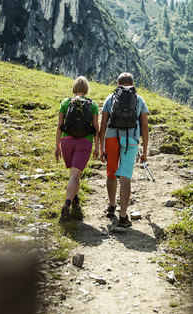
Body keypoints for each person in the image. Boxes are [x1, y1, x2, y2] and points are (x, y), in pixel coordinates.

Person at [99, 72, 149, 227]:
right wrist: (145, 151)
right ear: (133, 83)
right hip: (131, 140)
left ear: (118, 83)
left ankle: (112, 205)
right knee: (126, 176)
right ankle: (122, 216)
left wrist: (100, 147)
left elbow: (103, 125)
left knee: (111, 172)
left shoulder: (110, 98)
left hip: (112, 138)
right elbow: (145, 127)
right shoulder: (139, 99)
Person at [55, 76, 99, 223]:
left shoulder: (66, 102)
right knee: (75, 174)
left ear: (74, 88)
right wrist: (97, 147)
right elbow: (96, 128)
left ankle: (76, 201)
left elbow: (60, 125)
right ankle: (67, 202)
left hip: (66, 141)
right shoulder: (92, 104)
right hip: (84, 142)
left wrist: (57, 146)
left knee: (75, 173)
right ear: (86, 89)